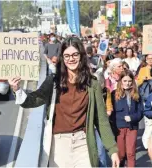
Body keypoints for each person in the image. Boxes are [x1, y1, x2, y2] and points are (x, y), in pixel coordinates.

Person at [9, 37, 119, 167]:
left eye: (74, 55)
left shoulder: (92, 84)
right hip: (59, 144)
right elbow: (33, 100)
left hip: (83, 143)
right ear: (62, 58)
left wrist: (112, 150)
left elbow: (101, 120)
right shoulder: (54, 82)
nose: (71, 59)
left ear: (81, 56)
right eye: (66, 56)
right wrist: (17, 89)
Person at [107, 70, 143, 167]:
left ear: (133, 81)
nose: (127, 83)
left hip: (132, 127)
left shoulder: (136, 94)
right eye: (125, 81)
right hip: (119, 128)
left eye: (130, 81)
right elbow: (111, 112)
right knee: (121, 154)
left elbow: (140, 112)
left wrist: (132, 118)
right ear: (120, 81)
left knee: (131, 153)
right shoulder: (114, 94)